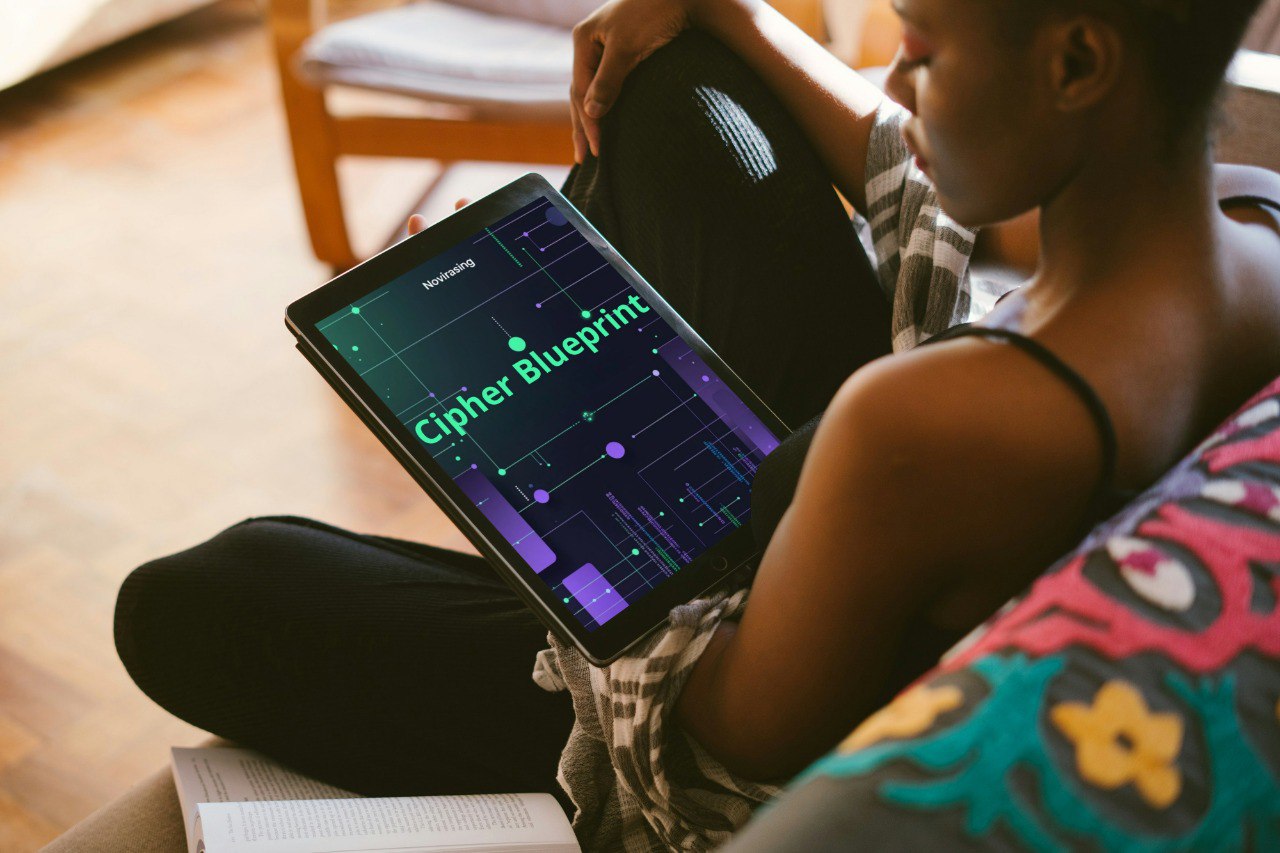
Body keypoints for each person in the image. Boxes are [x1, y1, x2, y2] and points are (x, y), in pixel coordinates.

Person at [115, 0, 1280, 850]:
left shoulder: (925, 424)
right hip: (872, 534)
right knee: (674, 82)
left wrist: (550, 434)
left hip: (759, 649)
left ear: (1075, 62)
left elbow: (714, 757)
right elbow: (932, 197)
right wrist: (726, 7)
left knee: (206, 592)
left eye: (921, 49)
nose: (898, 78)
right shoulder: (1249, 222)